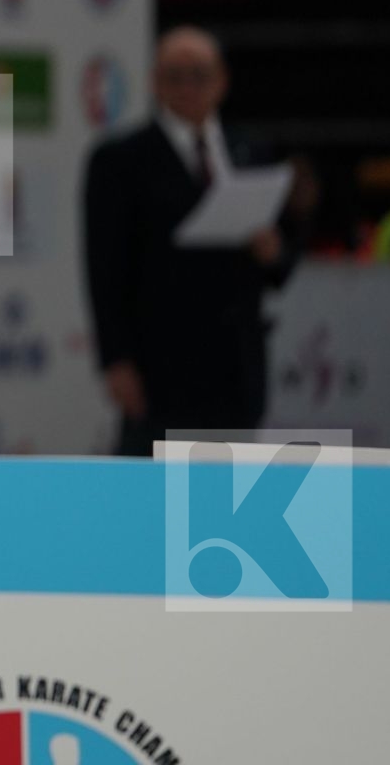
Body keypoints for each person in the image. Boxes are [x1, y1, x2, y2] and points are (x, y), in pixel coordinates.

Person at [83, 26, 297, 457]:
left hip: (235, 364)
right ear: (155, 82)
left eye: (198, 74)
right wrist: (116, 359)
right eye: (174, 75)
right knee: (151, 501)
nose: (187, 87)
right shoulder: (120, 161)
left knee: (225, 504)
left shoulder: (251, 153)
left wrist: (273, 252)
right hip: (158, 367)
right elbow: (103, 270)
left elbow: (283, 259)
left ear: (221, 80)